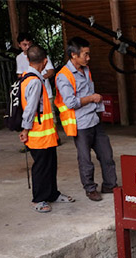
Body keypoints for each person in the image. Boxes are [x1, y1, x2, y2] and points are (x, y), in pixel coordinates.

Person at [55, 37, 118, 202]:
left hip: (94, 120)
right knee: (85, 159)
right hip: (80, 123)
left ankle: (110, 185)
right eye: (85, 54)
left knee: (106, 155)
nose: (88, 58)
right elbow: (70, 103)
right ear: (74, 55)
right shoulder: (63, 76)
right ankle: (90, 189)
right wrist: (92, 98)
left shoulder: (86, 69)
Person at [18, 45, 74, 213]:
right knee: (41, 166)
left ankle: (52, 194)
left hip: (46, 133)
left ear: (28, 60)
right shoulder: (34, 81)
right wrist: (25, 130)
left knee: (50, 164)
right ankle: (39, 199)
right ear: (45, 61)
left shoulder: (28, 78)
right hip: (38, 134)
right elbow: (30, 108)